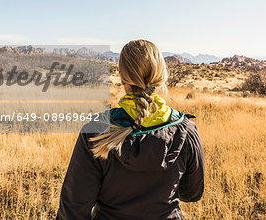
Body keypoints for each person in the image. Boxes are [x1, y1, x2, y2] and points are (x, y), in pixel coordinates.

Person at [57, 39, 204, 220]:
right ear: (161, 76)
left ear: (122, 77)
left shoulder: (97, 131)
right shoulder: (186, 130)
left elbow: (73, 209)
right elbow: (192, 193)